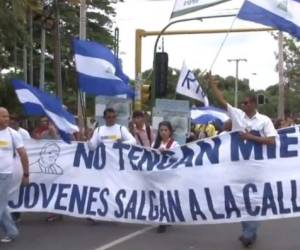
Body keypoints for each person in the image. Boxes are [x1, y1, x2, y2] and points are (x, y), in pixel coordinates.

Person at [209, 75, 277, 247]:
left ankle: (249, 232)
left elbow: (271, 141)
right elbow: (223, 101)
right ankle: (249, 231)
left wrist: (249, 137)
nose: (242, 105)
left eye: (246, 103)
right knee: (242, 200)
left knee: (255, 200)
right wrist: (212, 86)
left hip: (258, 168)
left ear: (254, 104)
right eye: (242, 103)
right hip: (239, 168)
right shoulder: (238, 116)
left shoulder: (264, 120)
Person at [0, 107, 29, 243]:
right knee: (2, 206)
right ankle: (12, 232)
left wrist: (26, 174)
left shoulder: (13, 134)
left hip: (5, 175)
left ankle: (11, 232)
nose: (6, 119)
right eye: (3, 116)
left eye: (7, 116)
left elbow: (23, 154)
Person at [152, 121, 179, 233]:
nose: (163, 132)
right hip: (158, 175)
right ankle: (162, 220)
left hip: (169, 175)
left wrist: (167, 152)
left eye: (165, 130)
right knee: (159, 197)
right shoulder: (155, 144)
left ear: (170, 131)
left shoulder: (174, 144)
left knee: (167, 197)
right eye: (161, 130)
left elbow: (177, 158)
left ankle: (166, 217)